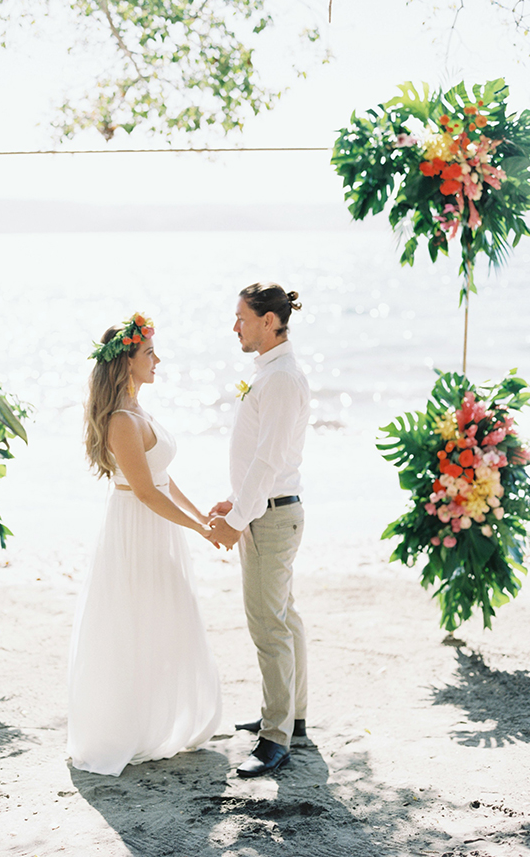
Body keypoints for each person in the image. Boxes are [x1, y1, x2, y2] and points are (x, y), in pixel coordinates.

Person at [68, 313, 221, 776]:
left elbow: (165, 479)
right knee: (135, 622)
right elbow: (147, 492)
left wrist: (202, 518)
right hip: (137, 527)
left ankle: (164, 719)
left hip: (157, 524)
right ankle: (130, 726)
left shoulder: (140, 411)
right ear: (126, 362)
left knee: (168, 616)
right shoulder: (120, 420)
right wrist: (197, 529)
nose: (158, 359)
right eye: (149, 352)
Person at [209, 283, 309, 778]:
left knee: (268, 627)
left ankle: (276, 738)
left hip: (269, 515)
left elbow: (269, 461)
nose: (235, 327)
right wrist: (239, 503)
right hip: (265, 509)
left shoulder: (283, 379)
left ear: (270, 321)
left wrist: (235, 519)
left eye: (242, 318)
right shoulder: (271, 373)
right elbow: (260, 457)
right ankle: (293, 717)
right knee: (284, 618)